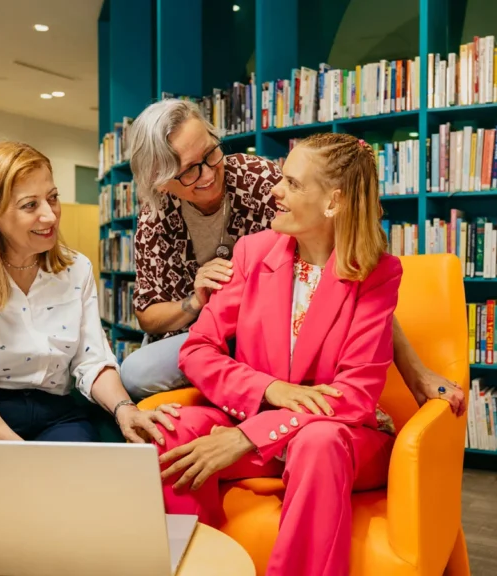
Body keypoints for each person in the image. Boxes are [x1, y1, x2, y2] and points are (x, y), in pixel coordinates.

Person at [120, 98, 465, 416]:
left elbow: (348, 269)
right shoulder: (155, 218)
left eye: (211, 154)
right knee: (135, 373)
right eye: (189, 170)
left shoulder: (261, 180)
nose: (209, 174)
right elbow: (148, 314)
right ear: (161, 181)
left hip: (276, 321)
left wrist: (414, 370)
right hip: (204, 330)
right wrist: (195, 302)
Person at [156, 133, 402, 576]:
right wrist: (269, 389)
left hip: (340, 439)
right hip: (256, 415)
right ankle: (198, 567)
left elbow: (355, 395)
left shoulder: (379, 274)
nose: (275, 190)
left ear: (333, 202)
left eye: (292, 183)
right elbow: (197, 350)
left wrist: (249, 436)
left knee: (318, 441)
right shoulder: (252, 253)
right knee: (176, 427)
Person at [0, 141, 178, 444]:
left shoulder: (77, 269)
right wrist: (22, 457)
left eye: (52, 198)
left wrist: (125, 409)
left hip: (55, 413)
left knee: (78, 482)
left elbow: (92, 360)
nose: (50, 216)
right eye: (30, 205)